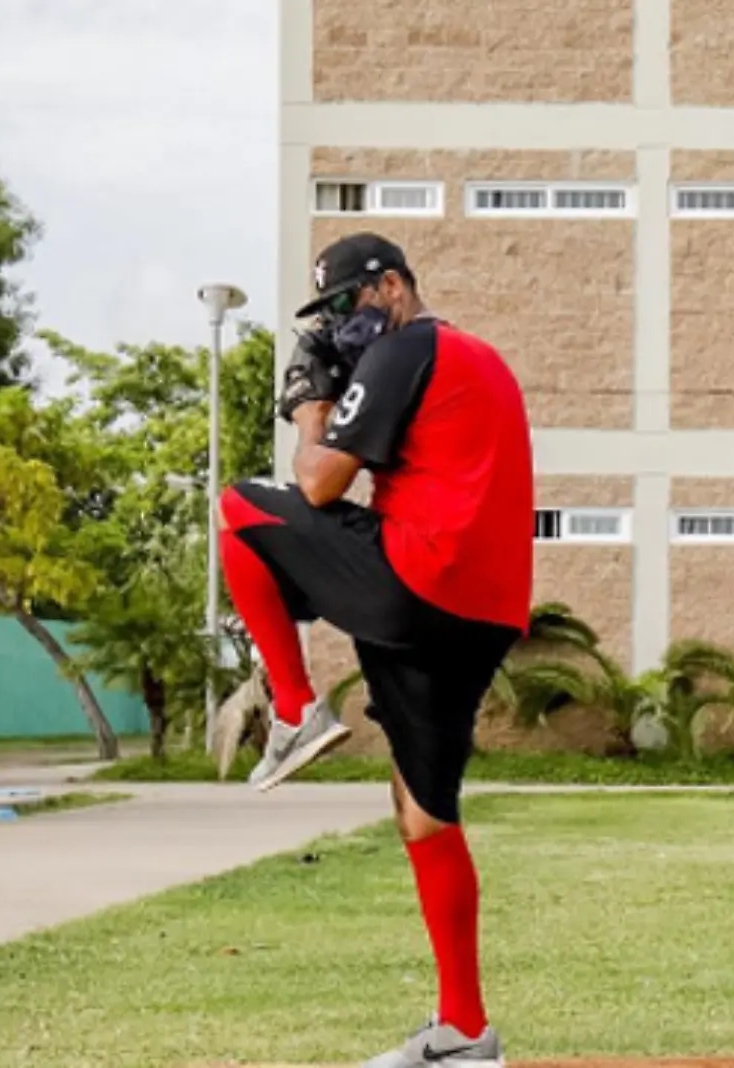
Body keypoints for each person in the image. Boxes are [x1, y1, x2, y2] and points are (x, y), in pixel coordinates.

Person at [215, 231, 534, 1067]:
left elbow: (319, 482)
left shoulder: (408, 348)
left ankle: (293, 708)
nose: (340, 325)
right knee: (424, 813)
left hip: (417, 580)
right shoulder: (474, 358)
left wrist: (307, 407)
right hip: (482, 612)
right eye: (325, 315)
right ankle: (465, 1031)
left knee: (242, 511)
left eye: (348, 303)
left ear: (392, 285)